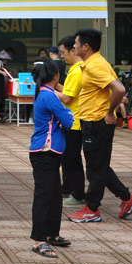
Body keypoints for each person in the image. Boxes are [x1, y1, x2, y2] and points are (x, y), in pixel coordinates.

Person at [68, 29, 132, 223]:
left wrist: (110, 112)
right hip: (93, 121)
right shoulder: (95, 63)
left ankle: (92, 209)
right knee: (100, 166)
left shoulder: (95, 66)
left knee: (95, 169)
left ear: (86, 46)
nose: (73, 46)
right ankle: (128, 199)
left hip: (97, 122)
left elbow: (119, 89)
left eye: (76, 43)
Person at [28, 58, 75, 258]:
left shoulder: (44, 93)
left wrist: (66, 114)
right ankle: (39, 240)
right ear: (55, 76)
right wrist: (68, 114)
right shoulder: (49, 96)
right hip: (44, 151)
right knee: (44, 196)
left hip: (49, 151)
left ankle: (51, 234)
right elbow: (68, 120)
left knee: (55, 195)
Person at [55, 36, 84, 207]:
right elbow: (66, 91)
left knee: (73, 160)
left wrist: (47, 89)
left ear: (73, 50)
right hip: (70, 121)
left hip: (75, 123)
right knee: (67, 159)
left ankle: (78, 194)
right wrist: (55, 85)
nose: (62, 56)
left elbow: (67, 98)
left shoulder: (77, 71)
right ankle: (67, 189)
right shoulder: (73, 70)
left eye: (63, 52)